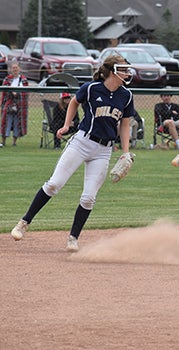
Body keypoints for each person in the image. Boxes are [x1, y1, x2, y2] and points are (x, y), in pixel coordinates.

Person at [10, 54, 136, 252]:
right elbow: (74, 102)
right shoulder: (92, 88)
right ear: (113, 72)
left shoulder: (126, 96)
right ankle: (24, 223)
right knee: (54, 184)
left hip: (104, 150)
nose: (128, 72)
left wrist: (126, 152)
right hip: (82, 142)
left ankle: (73, 238)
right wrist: (67, 125)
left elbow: (125, 124)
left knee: (88, 198)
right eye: (124, 69)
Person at [1, 62, 29, 147]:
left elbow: (26, 92)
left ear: (19, 69)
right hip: (9, 104)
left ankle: (14, 142)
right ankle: (3, 141)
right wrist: (11, 93)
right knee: (6, 122)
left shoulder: (23, 80)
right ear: (11, 69)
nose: (15, 70)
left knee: (17, 123)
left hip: (20, 105)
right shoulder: (7, 79)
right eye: (13, 68)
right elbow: (4, 92)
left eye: (16, 68)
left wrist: (18, 94)